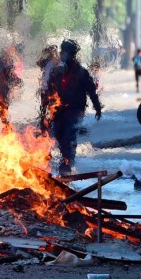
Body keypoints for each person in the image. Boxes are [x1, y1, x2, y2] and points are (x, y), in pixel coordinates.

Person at [41, 39, 103, 176]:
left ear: (72, 54)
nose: (63, 55)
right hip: (59, 111)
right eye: (62, 51)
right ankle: (65, 158)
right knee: (59, 134)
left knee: (69, 136)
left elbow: (91, 91)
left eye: (66, 52)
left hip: (75, 110)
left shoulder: (81, 72)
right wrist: (44, 110)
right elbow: (48, 92)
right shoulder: (56, 71)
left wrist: (97, 107)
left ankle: (67, 164)